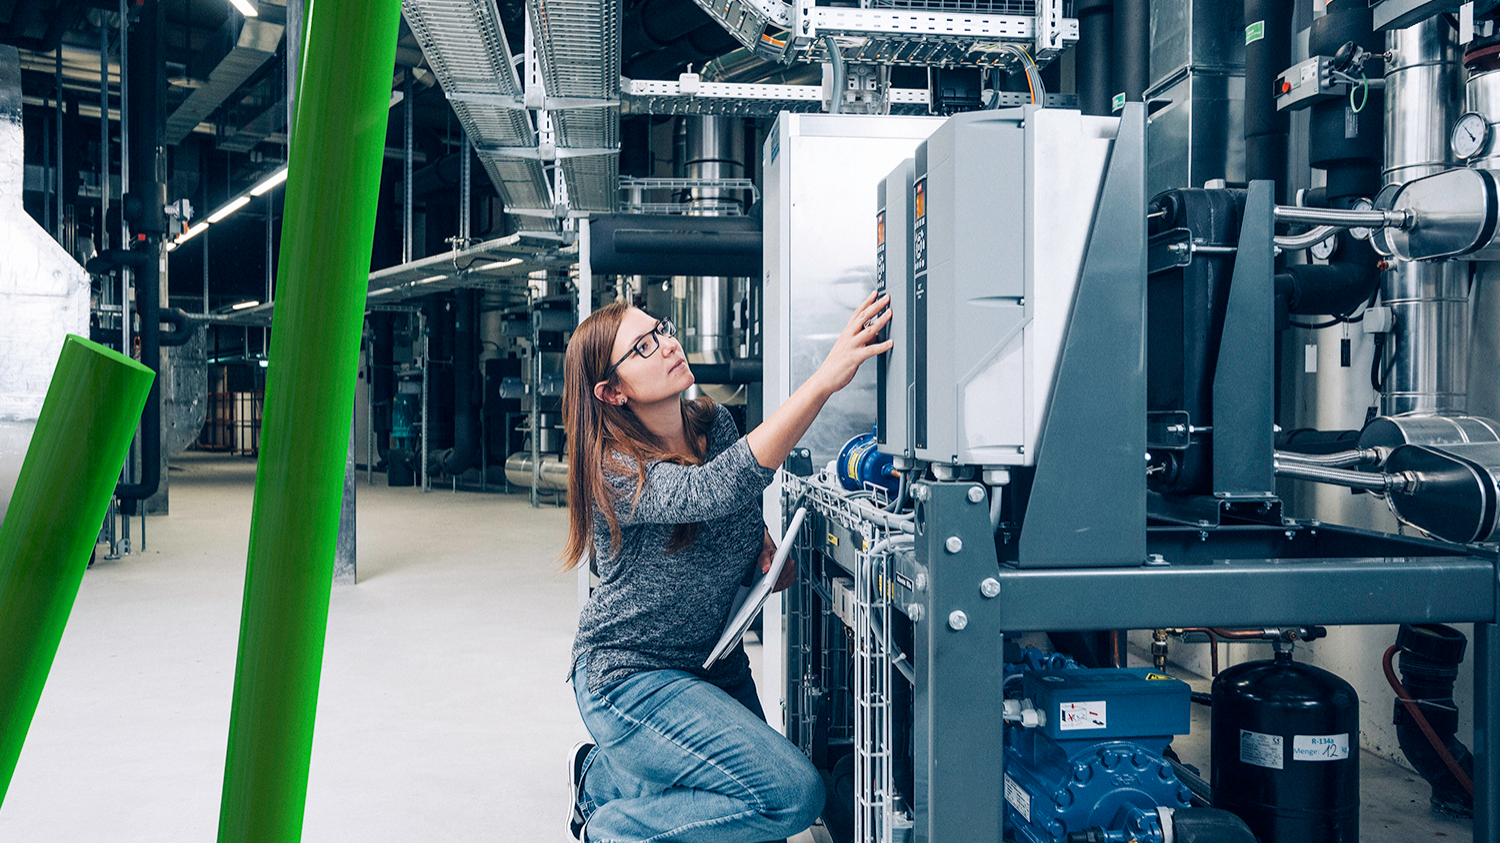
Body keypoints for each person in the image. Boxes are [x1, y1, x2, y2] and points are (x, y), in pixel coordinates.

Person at [560, 290, 893, 843]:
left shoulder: (714, 426)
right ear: (612, 392)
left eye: (661, 330)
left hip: (713, 662)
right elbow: (710, 490)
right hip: (629, 675)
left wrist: (760, 556)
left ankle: (602, 778)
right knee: (790, 797)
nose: (667, 345)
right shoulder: (613, 467)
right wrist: (824, 380)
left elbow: (734, 515)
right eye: (643, 348)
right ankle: (612, 828)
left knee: (757, 816)